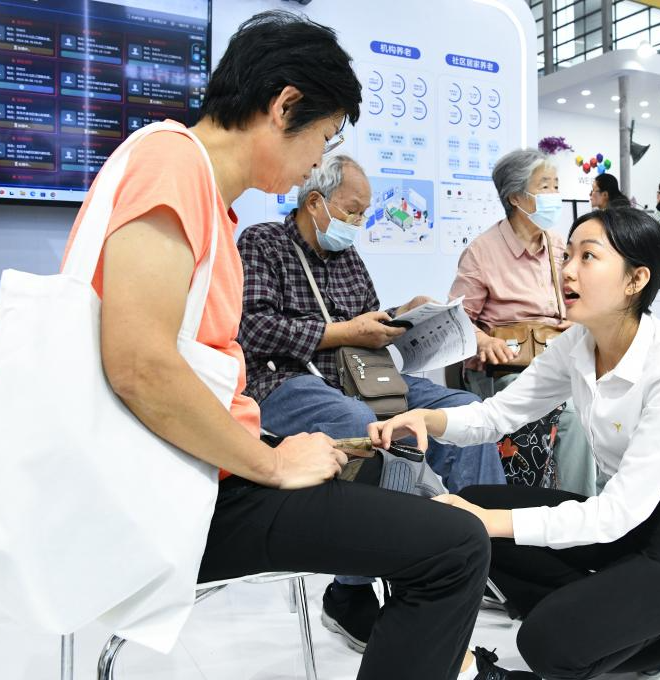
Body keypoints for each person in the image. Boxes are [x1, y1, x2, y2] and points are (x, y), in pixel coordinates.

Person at [63, 12, 529, 680]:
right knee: (450, 547)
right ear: (284, 106)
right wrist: (270, 460)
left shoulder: (204, 196)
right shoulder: (171, 165)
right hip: (188, 491)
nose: (317, 160)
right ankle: (389, 614)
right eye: (324, 136)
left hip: (207, 469)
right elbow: (141, 365)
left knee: (431, 506)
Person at [371, 207, 660, 680]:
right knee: (473, 512)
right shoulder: (577, 345)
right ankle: (619, 611)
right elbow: (498, 414)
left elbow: (619, 511)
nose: (567, 270)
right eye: (568, 255)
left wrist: (492, 522)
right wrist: (426, 419)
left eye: (588, 256)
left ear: (636, 279)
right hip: (628, 520)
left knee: (544, 643)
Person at [236, 154, 506, 653]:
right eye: (353, 210)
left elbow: (365, 325)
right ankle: (352, 589)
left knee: (463, 408)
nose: (359, 222)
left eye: (363, 213)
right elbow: (252, 327)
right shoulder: (262, 243)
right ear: (315, 203)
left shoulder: (348, 256)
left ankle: (487, 554)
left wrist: (402, 316)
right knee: (360, 424)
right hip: (283, 381)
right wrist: (343, 332)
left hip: (361, 377)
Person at [450, 148, 597, 497]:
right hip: (507, 369)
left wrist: (578, 323)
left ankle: (581, 509)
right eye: (545, 186)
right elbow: (456, 323)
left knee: (592, 409)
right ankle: (561, 507)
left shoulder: (559, 246)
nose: (554, 194)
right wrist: (485, 342)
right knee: (571, 417)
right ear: (516, 197)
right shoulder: (482, 252)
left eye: (556, 185)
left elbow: (581, 300)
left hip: (557, 359)